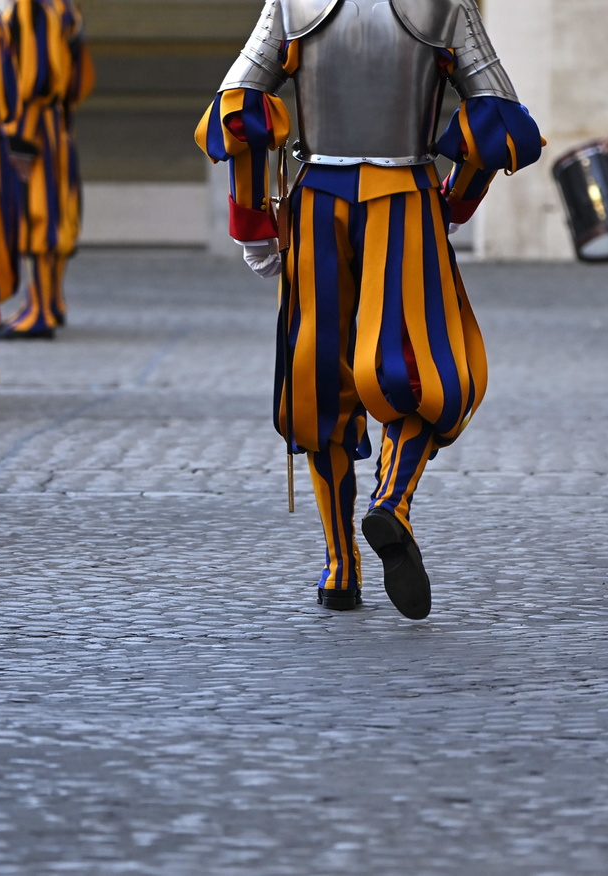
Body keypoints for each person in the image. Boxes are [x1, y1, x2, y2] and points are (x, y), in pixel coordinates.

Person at [197, 0, 543, 619]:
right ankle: (391, 502)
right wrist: (455, 202)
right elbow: (497, 121)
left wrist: (252, 221)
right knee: (422, 364)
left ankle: (338, 568)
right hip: (405, 197)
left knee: (319, 378)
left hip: (316, 201)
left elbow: (239, 110)